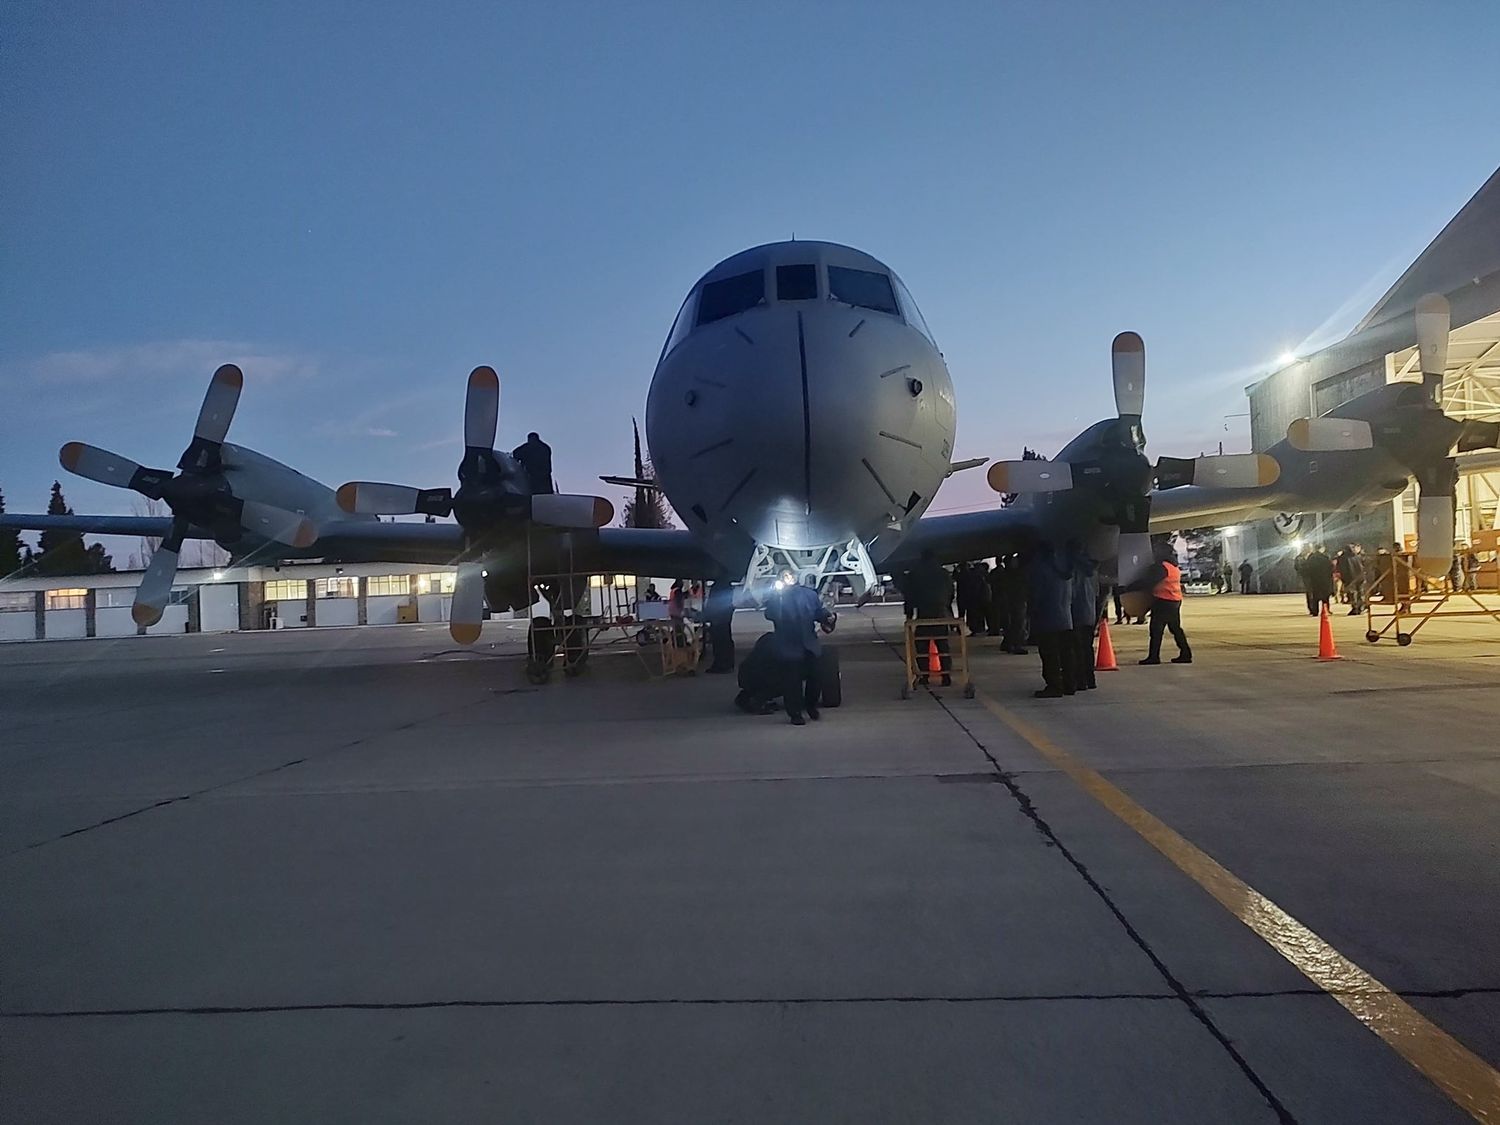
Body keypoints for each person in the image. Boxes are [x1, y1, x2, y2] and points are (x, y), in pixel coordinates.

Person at [762, 574, 835, 725]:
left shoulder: (809, 594)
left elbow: (817, 612)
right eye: (785, 576)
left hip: (809, 643)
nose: (788, 579)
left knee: (816, 678)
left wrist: (827, 617)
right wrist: (777, 598)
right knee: (792, 682)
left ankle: (810, 705)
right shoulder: (777, 597)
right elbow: (770, 614)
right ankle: (795, 713)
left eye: (791, 576)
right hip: (788, 644)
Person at [1125, 539, 1192, 665]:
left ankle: (1154, 657)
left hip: (1163, 600)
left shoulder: (1161, 567)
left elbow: (1148, 581)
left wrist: (1128, 588)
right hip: (1174, 600)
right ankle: (1185, 653)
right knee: (1175, 628)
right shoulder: (1173, 566)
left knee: (1156, 630)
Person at [1026, 542, 1076, 697]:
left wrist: (1031, 611)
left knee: (1050, 655)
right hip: (1066, 618)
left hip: (1047, 619)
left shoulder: (1040, 569)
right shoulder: (1066, 570)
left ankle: (1054, 686)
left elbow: (1036, 595)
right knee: (1066, 654)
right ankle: (1070, 684)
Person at [907, 550, 956, 684]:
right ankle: (946, 675)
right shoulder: (944, 574)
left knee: (922, 645)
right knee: (943, 645)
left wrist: (909, 614)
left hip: (924, 614)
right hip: (940, 613)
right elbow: (951, 593)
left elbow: (910, 595)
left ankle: (925, 675)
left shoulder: (916, 574)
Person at [1069, 545, 1099, 691]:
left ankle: (1080, 680)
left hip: (1076, 613)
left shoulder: (1073, 570)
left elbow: (1071, 593)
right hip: (1089, 613)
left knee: (1076, 648)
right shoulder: (1092, 571)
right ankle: (1090, 679)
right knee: (1087, 648)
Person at [734, 633, 783, 714]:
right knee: (789, 678)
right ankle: (757, 701)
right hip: (761, 676)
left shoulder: (769, 638)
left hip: (746, 674)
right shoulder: (784, 644)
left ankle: (746, 696)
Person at [996, 553, 1029, 654]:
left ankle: (1009, 643)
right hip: (1016, 602)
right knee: (1018, 624)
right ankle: (1016, 645)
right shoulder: (1016, 575)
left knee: (1011, 624)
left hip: (1009, 602)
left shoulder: (1004, 574)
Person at [704, 579, 736, 673]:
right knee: (726, 640)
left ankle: (721, 664)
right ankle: (727, 664)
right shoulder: (727, 586)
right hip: (724, 617)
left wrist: (709, 614)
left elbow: (713, 603)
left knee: (719, 642)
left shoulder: (717, 587)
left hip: (718, 618)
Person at [962, 561, 992, 636]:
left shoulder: (973, 576)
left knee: (975, 615)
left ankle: (976, 629)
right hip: (982, 598)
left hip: (975, 599)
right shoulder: (983, 576)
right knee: (981, 615)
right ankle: (980, 628)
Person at [1303, 545, 1335, 616]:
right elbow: (1331, 568)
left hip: (1314, 580)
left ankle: (1315, 611)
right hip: (1324, 580)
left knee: (1315, 597)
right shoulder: (1325, 557)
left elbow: (1307, 569)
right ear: (1321, 549)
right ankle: (1326, 610)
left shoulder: (1311, 558)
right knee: (1325, 597)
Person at [1335, 545, 1366, 615]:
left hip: (1350, 578)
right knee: (1360, 592)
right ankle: (1361, 607)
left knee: (1352, 593)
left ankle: (1355, 608)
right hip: (1360, 577)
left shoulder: (1343, 558)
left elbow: (1341, 568)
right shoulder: (1357, 556)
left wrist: (1343, 578)